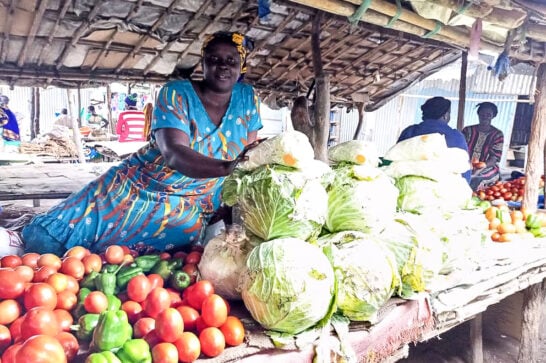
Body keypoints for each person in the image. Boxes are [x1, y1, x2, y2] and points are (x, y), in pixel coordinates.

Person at [22, 31, 262, 255]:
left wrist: (231, 196)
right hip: (140, 181)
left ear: (241, 65)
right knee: (43, 238)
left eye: (231, 60)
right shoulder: (176, 93)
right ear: (203, 62)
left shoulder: (247, 97)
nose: (223, 66)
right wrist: (227, 167)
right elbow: (174, 153)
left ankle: (107, 260)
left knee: (185, 229)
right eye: (214, 59)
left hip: (198, 200)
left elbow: (249, 158)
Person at [397, 96, 471, 182]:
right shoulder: (456, 136)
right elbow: (465, 173)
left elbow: (396, 161)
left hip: (408, 187)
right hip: (446, 190)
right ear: (445, 116)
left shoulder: (410, 132)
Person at [462, 102, 504, 190]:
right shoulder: (468, 130)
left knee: (480, 178)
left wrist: (480, 168)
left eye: (488, 115)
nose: (485, 117)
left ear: (493, 116)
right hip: (465, 164)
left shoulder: (497, 135)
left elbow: (494, 159)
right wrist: (467, 164)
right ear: (478, 114)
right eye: (482, 114)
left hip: (487, 167)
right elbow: (460, 150)